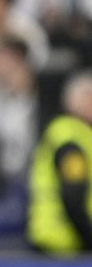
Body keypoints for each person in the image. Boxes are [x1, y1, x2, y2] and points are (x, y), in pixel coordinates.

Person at [28, 72, 92, 256]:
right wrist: (89, 237)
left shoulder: (80, 133)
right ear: (76, 100)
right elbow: (73, 192)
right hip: (61, 242)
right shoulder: (68, 135)